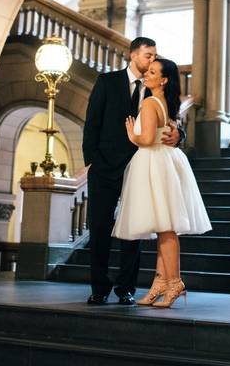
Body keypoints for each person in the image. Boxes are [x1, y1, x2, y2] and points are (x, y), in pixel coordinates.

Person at [82, 37, 181, 305]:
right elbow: (92, 122)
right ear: (133, 55)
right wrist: (92, 160)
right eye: (148, 55)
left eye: (155, 56)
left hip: (141, 166)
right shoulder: (107, 81)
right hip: (104, 168)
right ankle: (99, 288)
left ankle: (126, 288)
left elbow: (170, 117)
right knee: (100, 229)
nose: (152, 60)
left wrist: (178, 134)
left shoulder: (154, 85)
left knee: (134, 232)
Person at [112, 56, 212, 308]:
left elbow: (146, 139)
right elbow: (166, 132)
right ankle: (160, 281)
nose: (147, 74)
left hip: (154, 162)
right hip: (165, 161)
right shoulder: (169, 102)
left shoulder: (148, 103)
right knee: (162, 226)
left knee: (165, 228)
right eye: (149, 70)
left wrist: (131, 135)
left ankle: (175, 282)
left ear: (164, 79)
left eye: (153, 72)